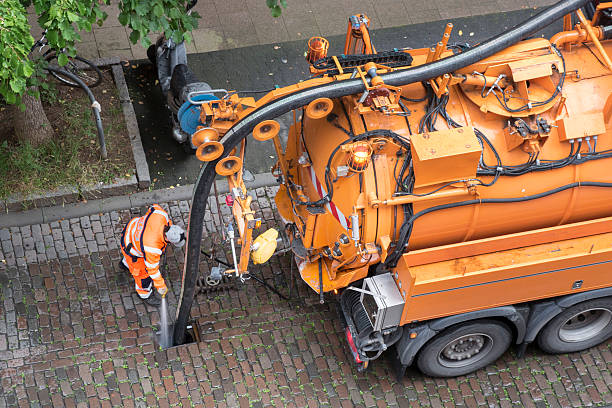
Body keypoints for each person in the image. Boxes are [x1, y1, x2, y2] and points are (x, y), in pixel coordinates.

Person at [119, 204, 186, 306]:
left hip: (132, 228)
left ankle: (125, 264)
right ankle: (144, 294)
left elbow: (153, 207)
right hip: (130, 246)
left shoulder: (162, 215)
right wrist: (160, 285)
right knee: (143, 275)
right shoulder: (152, 248)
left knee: (132, 257)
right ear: (167, 239)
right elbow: (152, 270)